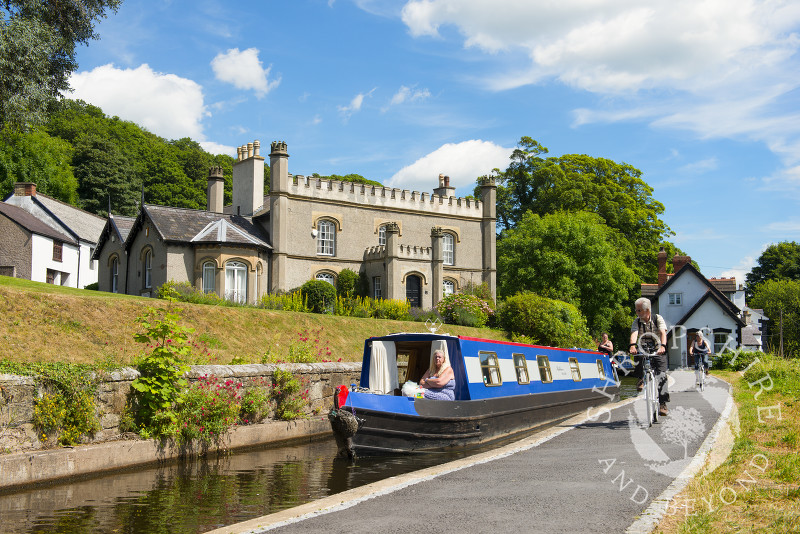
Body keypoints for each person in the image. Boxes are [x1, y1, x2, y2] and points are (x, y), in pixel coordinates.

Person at [629, 297, 670, 416]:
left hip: (658, 349)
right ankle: (640, 378)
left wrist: (663, 346)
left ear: (647, 310)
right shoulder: (636, 321)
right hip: (643, 347)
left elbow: (663, 332)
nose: (637, 313)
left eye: (639, 310)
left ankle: (662, 404)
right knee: (638, 358)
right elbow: (634, 333)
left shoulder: (658, 319)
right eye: (636, 310)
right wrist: (632, 345)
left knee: (662, 375)